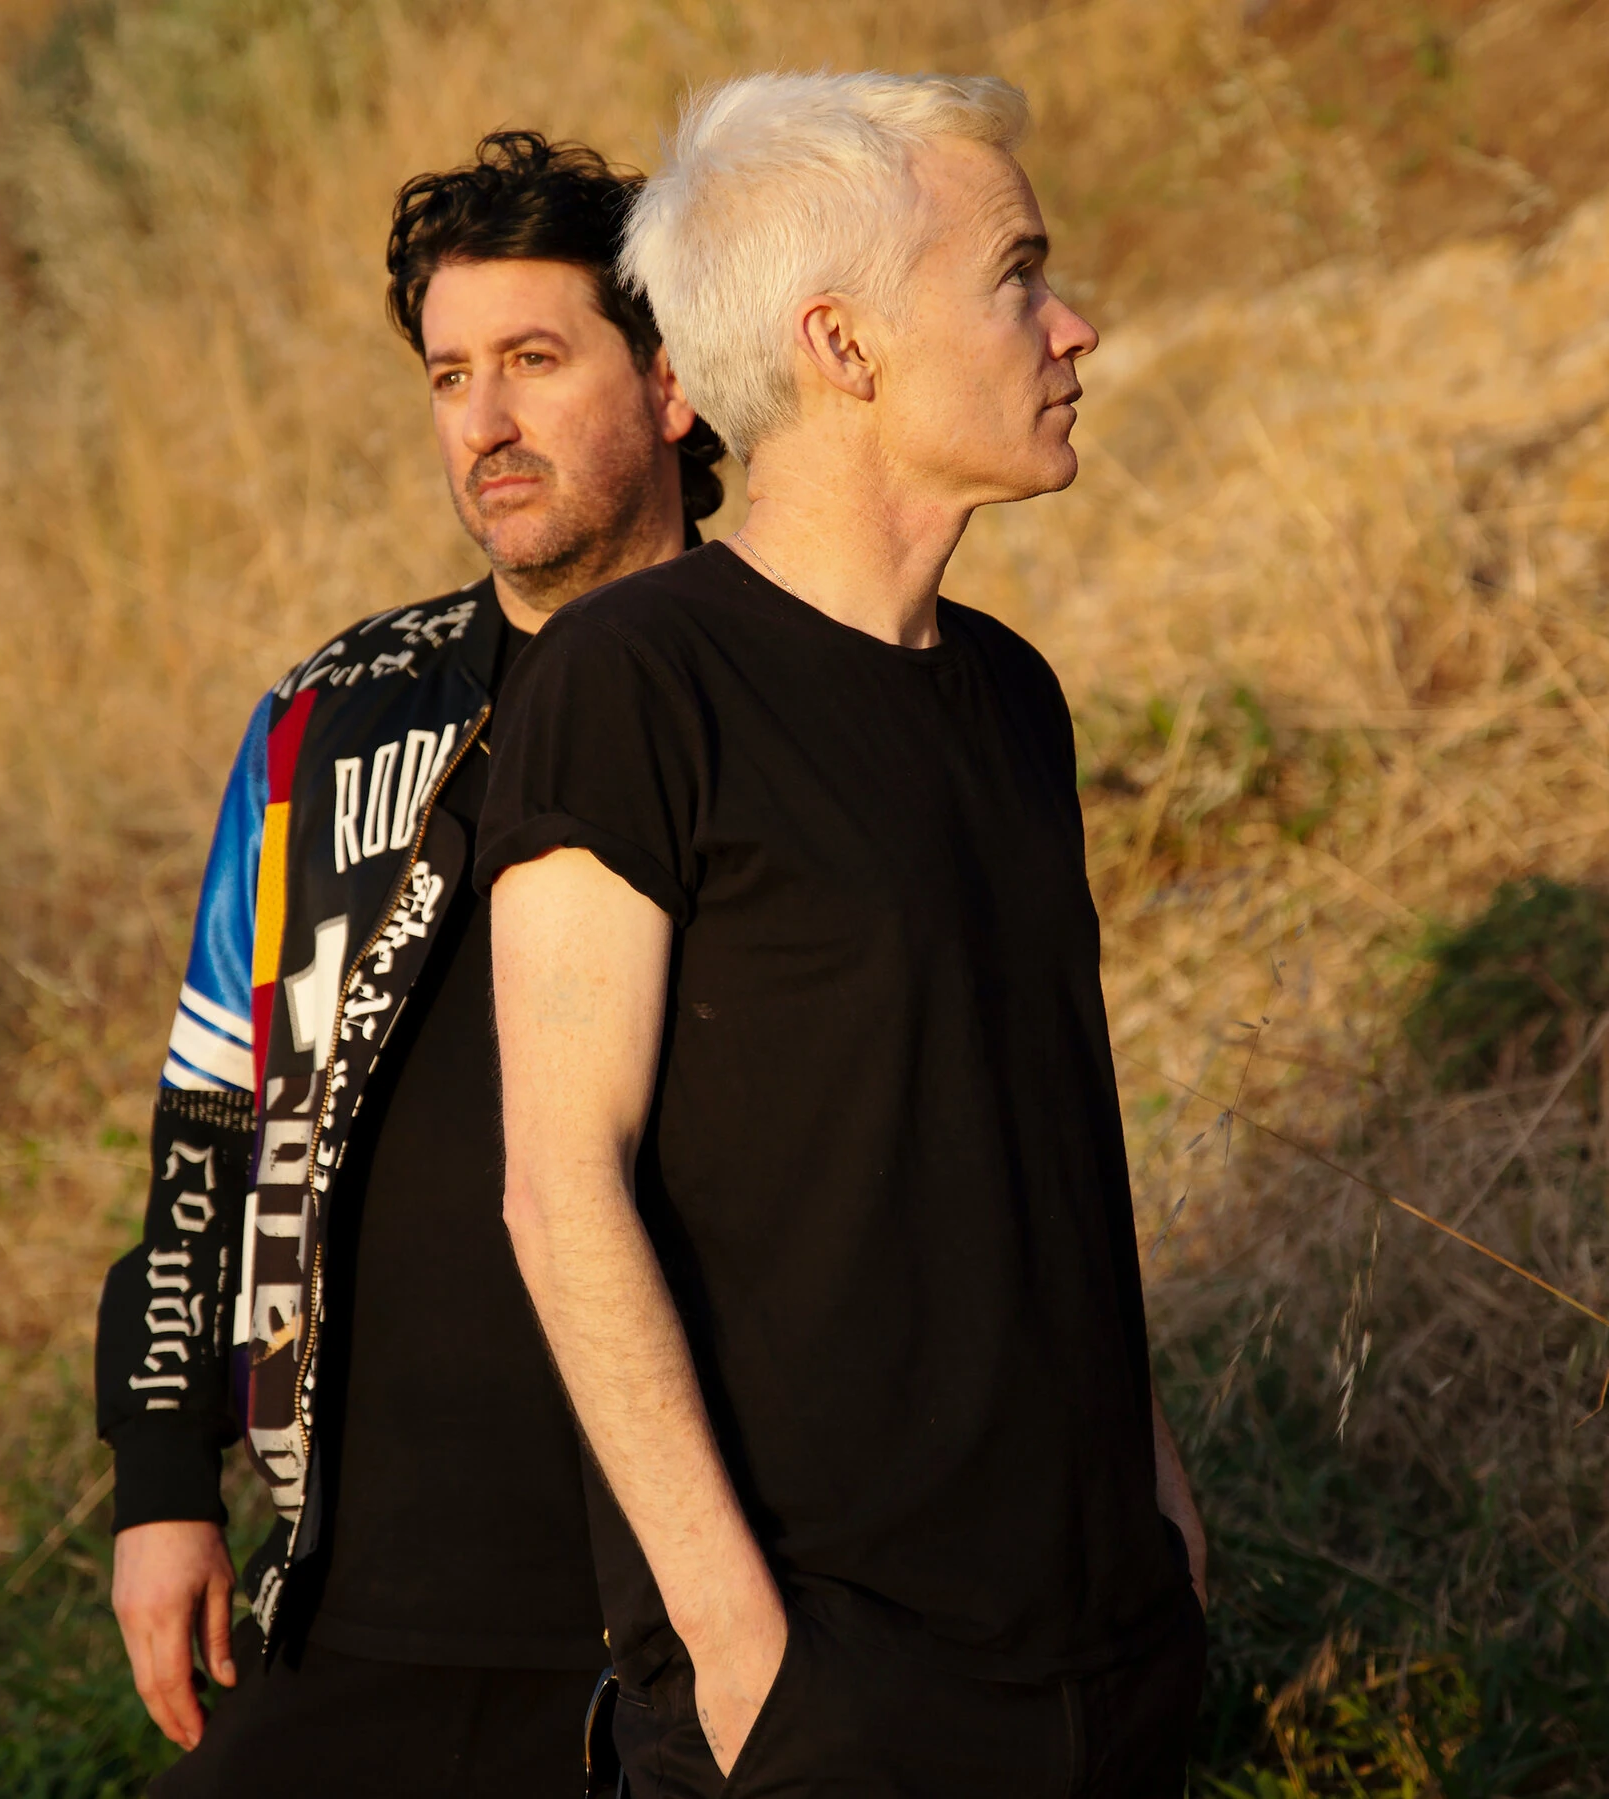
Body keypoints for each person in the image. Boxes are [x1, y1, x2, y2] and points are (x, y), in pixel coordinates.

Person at [478, 73, 1208, 1798]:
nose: (1073, 326)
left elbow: (1042, 1138)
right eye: (1017, 275)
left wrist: (1164, 1511)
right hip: (833, 1700)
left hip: (1104, 1657)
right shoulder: (633, 683)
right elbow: (560, 1188)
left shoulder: (1013, 695)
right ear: (844, 345)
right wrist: (741, 1645)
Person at [93, 130, 723, 1798]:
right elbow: (208, 1119)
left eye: (536, 359)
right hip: (356, 1603)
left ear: (672, 381)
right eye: (452, 375)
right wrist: (162, 1477)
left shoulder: (779, 698)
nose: (485, 423)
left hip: (679, 1611)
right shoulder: (327, 720)